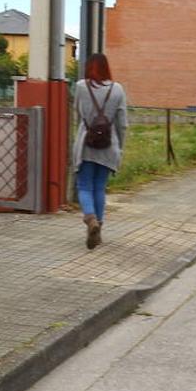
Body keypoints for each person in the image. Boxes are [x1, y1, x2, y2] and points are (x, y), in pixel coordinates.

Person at [72, 52, 128, 250]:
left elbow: (78, 113)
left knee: (84, 185)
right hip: (108, 145)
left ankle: (90, 219)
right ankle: (99, 228)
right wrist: (119, 148)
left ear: (88, 67)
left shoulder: (80, 87)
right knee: (99, 187)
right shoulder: (118, 89)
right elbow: (122, 124)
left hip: (86, 143)